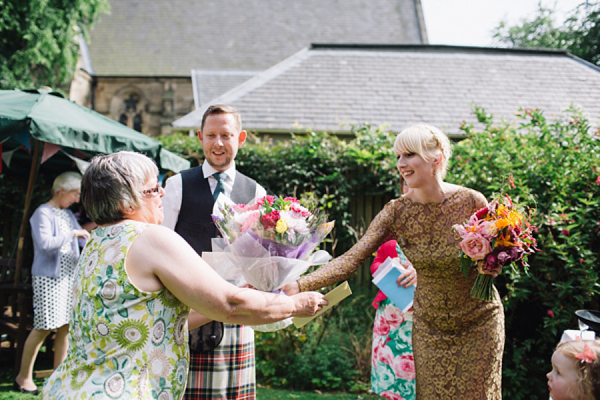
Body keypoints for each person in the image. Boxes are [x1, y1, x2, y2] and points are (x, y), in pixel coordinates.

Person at [40, 151, 326, 399]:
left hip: (72, 389)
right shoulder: (150, 238)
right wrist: (295, 305)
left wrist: (251, 291)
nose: (162, 193)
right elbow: (230, 304)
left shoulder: (97, 242)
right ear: (127, 204)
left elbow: (162, 320)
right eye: (152, 190)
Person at [285, 124, 504, 399]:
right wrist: (298, 284)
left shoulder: (471, 201)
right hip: (430, 329)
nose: (401, 164)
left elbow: (495, 257)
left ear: (436, 158)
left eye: (410, 154)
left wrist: (492, 265)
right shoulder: (396, 211)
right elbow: (353, 258)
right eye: (398, 157)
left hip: (479, 322)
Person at [162, 104, 266, 399]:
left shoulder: (256, 192)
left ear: (241, 138)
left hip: (237, 310)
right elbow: (162, 246)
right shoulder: (177, 185)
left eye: (226, 135)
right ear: (200, 137)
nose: (218, 143)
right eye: (211, 135)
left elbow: (260, 257)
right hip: (188, 309)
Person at [14, 171, 90, 395]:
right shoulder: (42, 212)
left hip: (68, 278)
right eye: (75, 193)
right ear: (62, 191)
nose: (77, 199)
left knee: (65, 328)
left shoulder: (66, 214)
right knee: (44, 328)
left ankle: (60, 378)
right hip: (48, 279)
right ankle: (23, 377)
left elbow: (79, 238)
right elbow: (46, 243)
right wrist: (73, 234)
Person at [370, 239, 417, 399]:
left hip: (418, 316)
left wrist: (420, 273)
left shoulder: (434, 243)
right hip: (389, 320)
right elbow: (375, 265)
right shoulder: (391, 243)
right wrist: (388, 265)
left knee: (415, 368)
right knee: (388, 365)